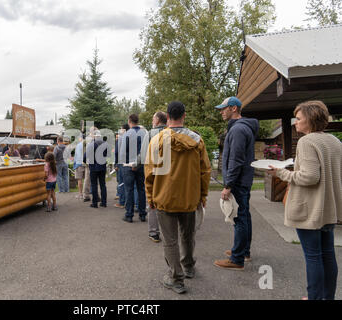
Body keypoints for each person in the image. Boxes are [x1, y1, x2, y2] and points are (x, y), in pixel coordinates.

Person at [268, 101, 342, 300]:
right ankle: (327, 297)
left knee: (313, 257)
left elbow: (310, 177)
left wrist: (282, 173)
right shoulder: (335, 142)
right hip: (329, 208)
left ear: (310, 119)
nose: (296, 123)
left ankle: (315, 297)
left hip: (311, 209)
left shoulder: (307, 142)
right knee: (327, 254)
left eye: (299, 119)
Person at [145, 101, 211, 294]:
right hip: (190, 197)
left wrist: (150, 197)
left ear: (168, 116)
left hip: (164, 197)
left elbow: (149, 173)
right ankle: (189, 267)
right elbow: (205, 171)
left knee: (170, 240)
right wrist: (203, 195)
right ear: (184, 115)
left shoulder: (156, 141)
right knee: (188, 235)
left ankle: (176, 278)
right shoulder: (197, 140)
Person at [213, 97, 259, 271]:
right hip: (243, 180)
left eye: (223, 109)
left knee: (239, 218)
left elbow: (236, 159)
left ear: (233, 108)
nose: (221, 112)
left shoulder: (238, 129)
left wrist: (228, 185)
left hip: (238, 182)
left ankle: (237, 259)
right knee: (245, 216)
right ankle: (244, 252)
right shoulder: (243, 127)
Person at [120, 114, 148, 223]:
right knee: (141, 189)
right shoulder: (144, 133)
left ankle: (129, 215)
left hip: (128, 165)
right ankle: (142, 214)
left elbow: (122, 153)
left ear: (129, 121)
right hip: (141, 165)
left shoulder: (127, 134)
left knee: (129, 190)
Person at [146, 111, 168, 243]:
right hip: (169, 173)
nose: (152, 120)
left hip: (154, 172)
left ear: (158, 120)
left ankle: (154, 233)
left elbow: (145, 156)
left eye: (153, 118)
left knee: (152, 202)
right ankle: (169, 231)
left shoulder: (150, 134)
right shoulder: (172, 133)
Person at [84, 129, 108, 208]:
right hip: (102, 166)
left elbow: (85, 156)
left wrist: (86, 161)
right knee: (103, 185)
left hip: (93, 167)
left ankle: (95, 203)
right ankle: (104, 203)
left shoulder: (91, 144)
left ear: (94, 136)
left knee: (94, 185)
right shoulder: (105, 143)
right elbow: (108, 155)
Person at [114, 124, 130, 209]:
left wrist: (116, 164)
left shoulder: (121, 138)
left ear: (124, 130)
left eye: (121, 129)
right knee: (128, 183)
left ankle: (122, 202)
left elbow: (116, 152)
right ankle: (128, 202)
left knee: (121, 183)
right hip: (129, 162)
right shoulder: (131, 137)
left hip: (121, 163)